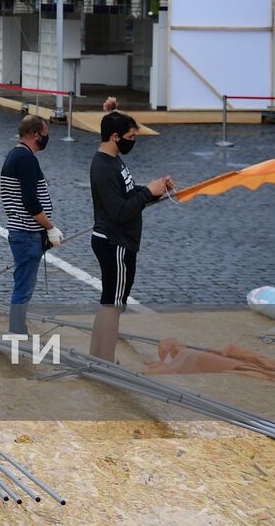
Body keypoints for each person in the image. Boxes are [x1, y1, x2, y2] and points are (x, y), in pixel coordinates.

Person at [88, 110, 172, 362]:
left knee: (110, 301)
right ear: (115, 137)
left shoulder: (113, 160)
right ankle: (105, 359)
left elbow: (126, 193)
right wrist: (147, 194)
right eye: (131, 137)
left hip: (118, 242)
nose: (133, 141)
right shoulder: (103, 166)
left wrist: (153, 190)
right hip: (115, 243)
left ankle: (98, 356)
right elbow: (119, 211)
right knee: (113, 304)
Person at [0, 115, 62, 336]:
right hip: (26, 233)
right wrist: (50, 227)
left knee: (22, 283)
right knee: (24, 288)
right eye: (45, 135)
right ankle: (17, 331)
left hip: (23, 231)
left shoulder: (16, 155)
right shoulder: (26, 159)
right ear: (36, 135)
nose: (47, 139)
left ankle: (18, 327)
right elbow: (30, 201)